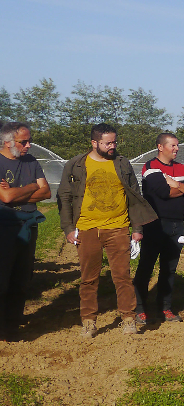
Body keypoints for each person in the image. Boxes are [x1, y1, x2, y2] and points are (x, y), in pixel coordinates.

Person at [58, 123, 157, 338]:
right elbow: (64, 196)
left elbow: (134, 195)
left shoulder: (122, 164)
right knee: (88, 278)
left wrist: (137, 227)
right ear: (94, 143)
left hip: (118, 227)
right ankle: (89, 321)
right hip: (87, 228)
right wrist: (68, 228)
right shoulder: (76, 164)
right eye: (107, 143)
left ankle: (128, 318)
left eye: (114, 141)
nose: (112, 146)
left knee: (122, 276)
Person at [133, 132, 184, 325]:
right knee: (146, 266)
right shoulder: (151, 167)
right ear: (161, 147)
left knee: (169, 269)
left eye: (177, 145)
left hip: (177, 224)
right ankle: (139, 308)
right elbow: (163, 193)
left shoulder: (182, 168)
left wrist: (176, 184)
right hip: (155, 224)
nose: (177, 149)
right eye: (173, 145)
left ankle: (165, 307)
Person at [0, 121, 51, 341]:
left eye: (29, 141)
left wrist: (19, 190)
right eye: (24, 142)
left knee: (22, 277)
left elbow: (46, 192)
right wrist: (32, 187)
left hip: (28, 225)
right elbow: (6, 198)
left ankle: (12, 324)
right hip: (4, 227)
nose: (29, 145)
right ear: (7, 141)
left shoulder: (31, 162)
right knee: (3, 277)